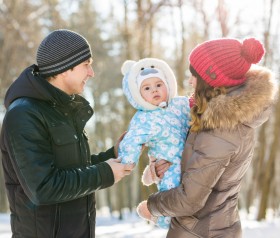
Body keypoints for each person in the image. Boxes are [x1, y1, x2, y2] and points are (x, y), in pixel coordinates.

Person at [0, 29, 134, 238]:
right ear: (64, 68)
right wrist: (105, 173)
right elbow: (43, 187)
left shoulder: (62, 110)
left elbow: (72, 168)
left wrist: (113, 155)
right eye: (86, 64)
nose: (91, 72)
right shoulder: (24, 115)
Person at [138, 37, 278, 237]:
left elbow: (189, 200)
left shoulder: (219, 129)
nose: (189, 81)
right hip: (216, 227)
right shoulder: (225, 122)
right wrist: (175, 165)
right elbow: (206, 175)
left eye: (194, 75)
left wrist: (152, 206)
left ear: (210, 79)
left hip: (199, 232)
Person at [119, 58, 190, 228]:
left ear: (168, 83)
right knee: (170, 191)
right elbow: (132, 140)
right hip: (169, 164)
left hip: (191, 160)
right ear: (138, 94)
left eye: (159, 84)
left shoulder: (180, 104)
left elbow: (196, 108)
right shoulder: (143, 118)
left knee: (191, 194)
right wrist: (128, 160)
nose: (154, 90)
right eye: (147, 88)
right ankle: (164, 220)